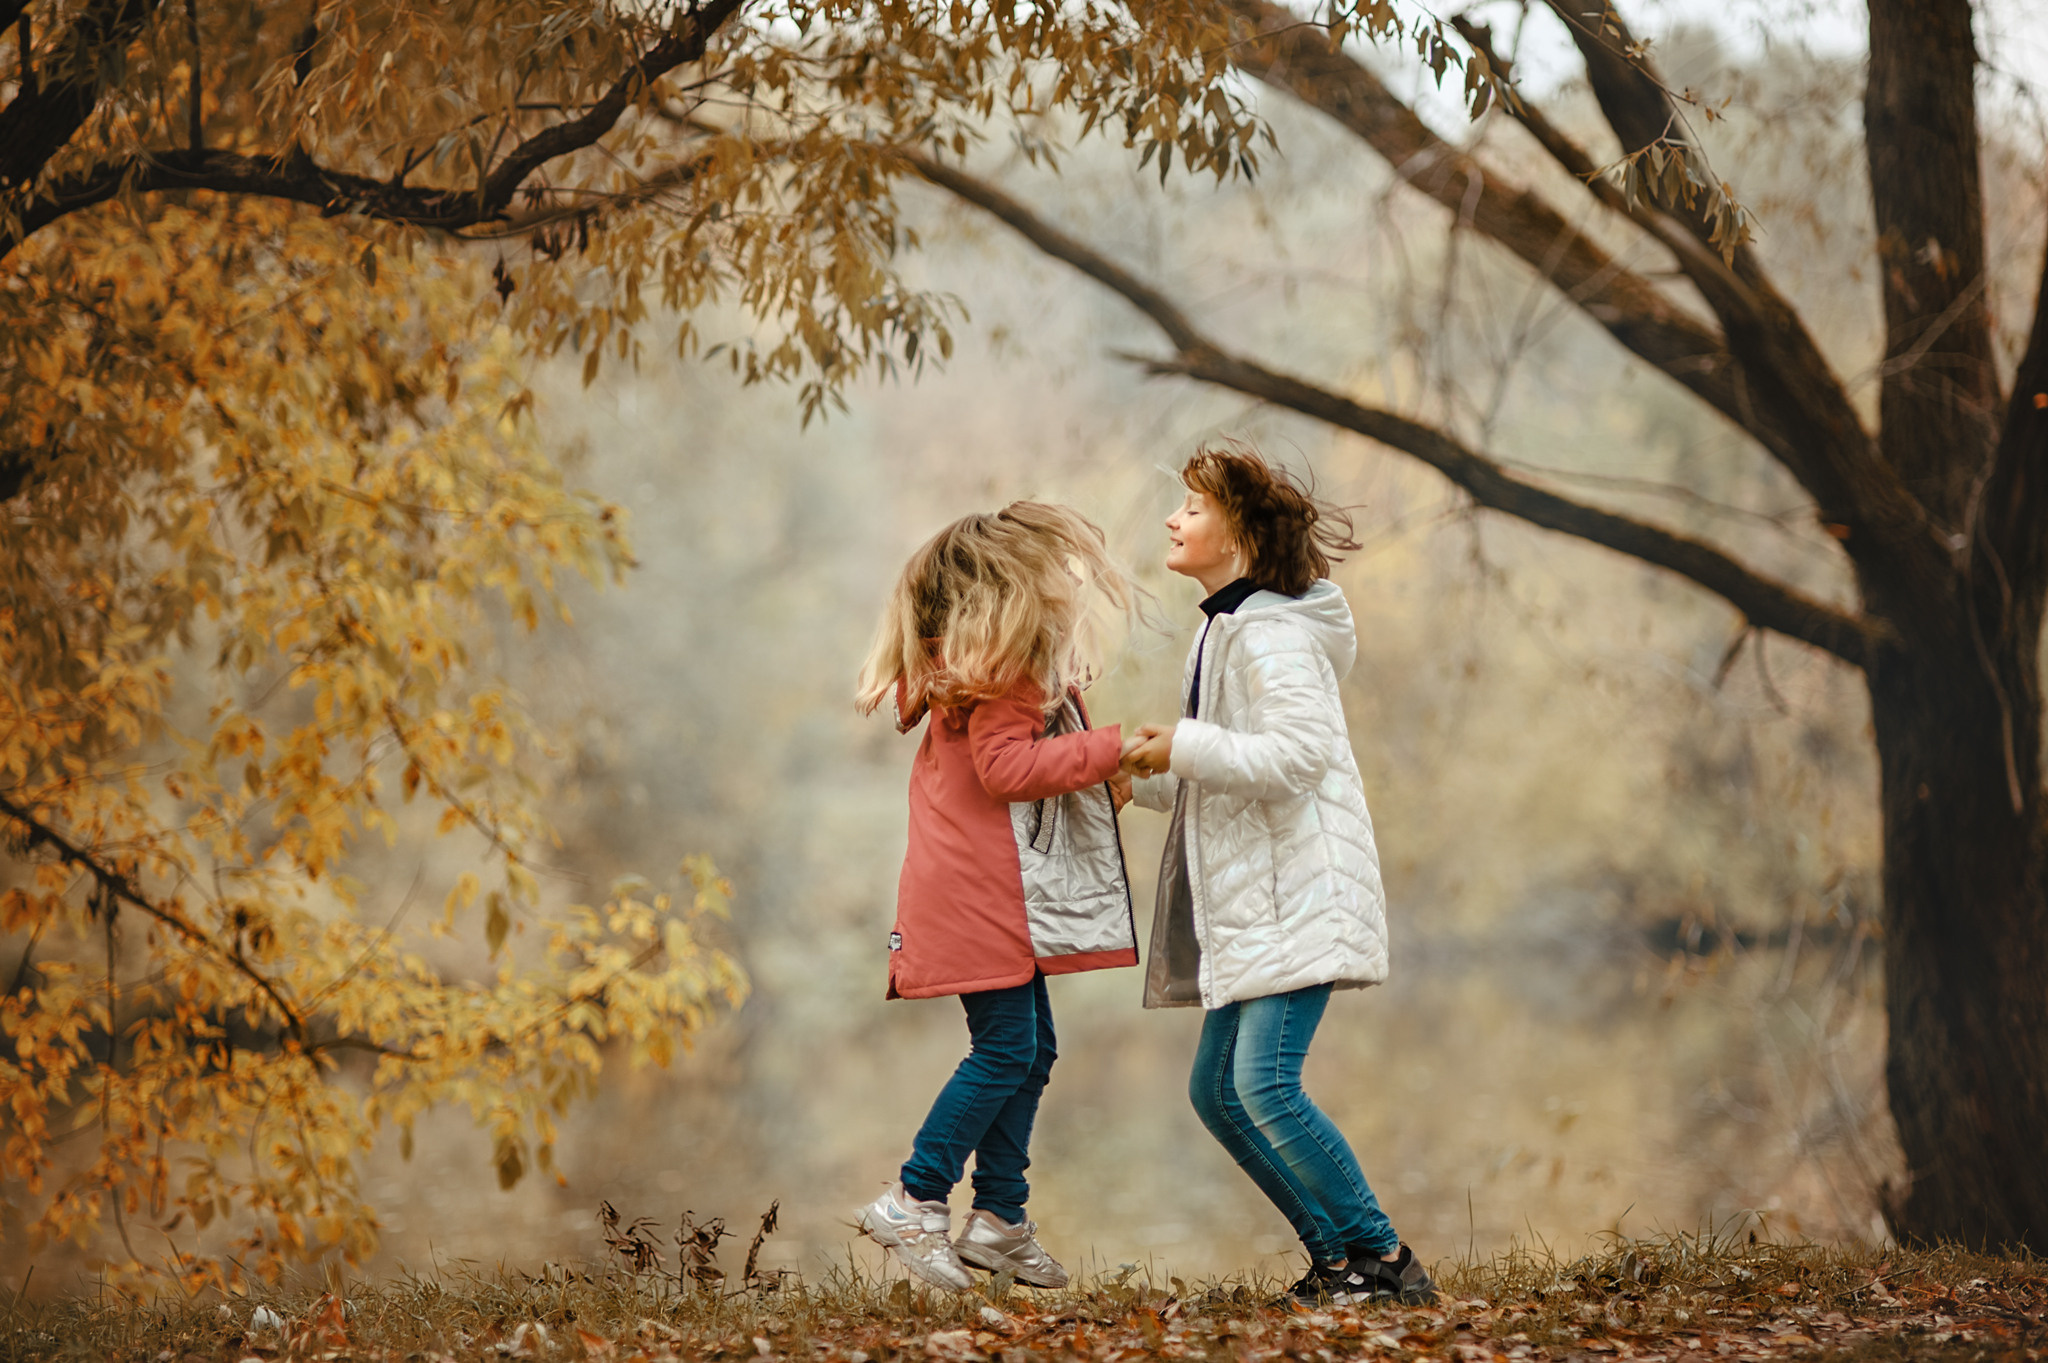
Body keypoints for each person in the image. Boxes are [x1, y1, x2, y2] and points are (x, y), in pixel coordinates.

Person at [1119, 445, 1437, 1308]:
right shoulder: (1226, 627)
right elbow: (1235, 777)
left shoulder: (1272, 632)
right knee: (1217, 1091)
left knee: (1261, 1082)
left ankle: (1384, 1260)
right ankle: (1337, 1264)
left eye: (1192, 506)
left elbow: (1298, 757)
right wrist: (1147, 776)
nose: (1173, 520)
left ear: (1243, 532)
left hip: (1304, 897)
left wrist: (1179, 744)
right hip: (1263, 904)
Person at [853, 501, 1141, 1292]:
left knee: (1032, 1047)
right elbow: (1007, 770)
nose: (1068, 590)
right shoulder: (1006, 674)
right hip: (982, 896)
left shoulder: (973, 674)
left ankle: (1001, 1218)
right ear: (1009, 593)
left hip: (977, 892)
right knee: (1008, 1048)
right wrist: (1113, 745)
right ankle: (915, 1195)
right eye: (1053, 577)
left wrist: (1105, 764)